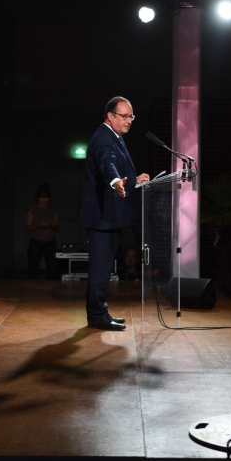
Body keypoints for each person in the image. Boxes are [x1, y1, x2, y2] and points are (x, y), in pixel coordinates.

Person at [79, 96, 150, 330]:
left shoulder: (115, 137)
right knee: (100, 266)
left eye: (131, 116)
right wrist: (115, 180)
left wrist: (132, 182)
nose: (129, 120)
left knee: (103, 265)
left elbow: (117, 167)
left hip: (109, 217)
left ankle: (99, 312)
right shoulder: (103, 138)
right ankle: (97, 314)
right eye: (124, 116)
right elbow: (106, 162)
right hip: (102, 217)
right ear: (110, 116)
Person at [26, 183, 59, 279]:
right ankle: (31, 290)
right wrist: (39, 225)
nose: (44, 200)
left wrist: (53, 225)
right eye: (42, 197)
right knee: (33, 268)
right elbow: (28, 227)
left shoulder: (53, 209)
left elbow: (57, 228)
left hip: (50, 242)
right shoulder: (32, 210)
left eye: (46, 197)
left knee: (52, 268)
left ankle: (52, 289)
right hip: (36, 242)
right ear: (38, 197)